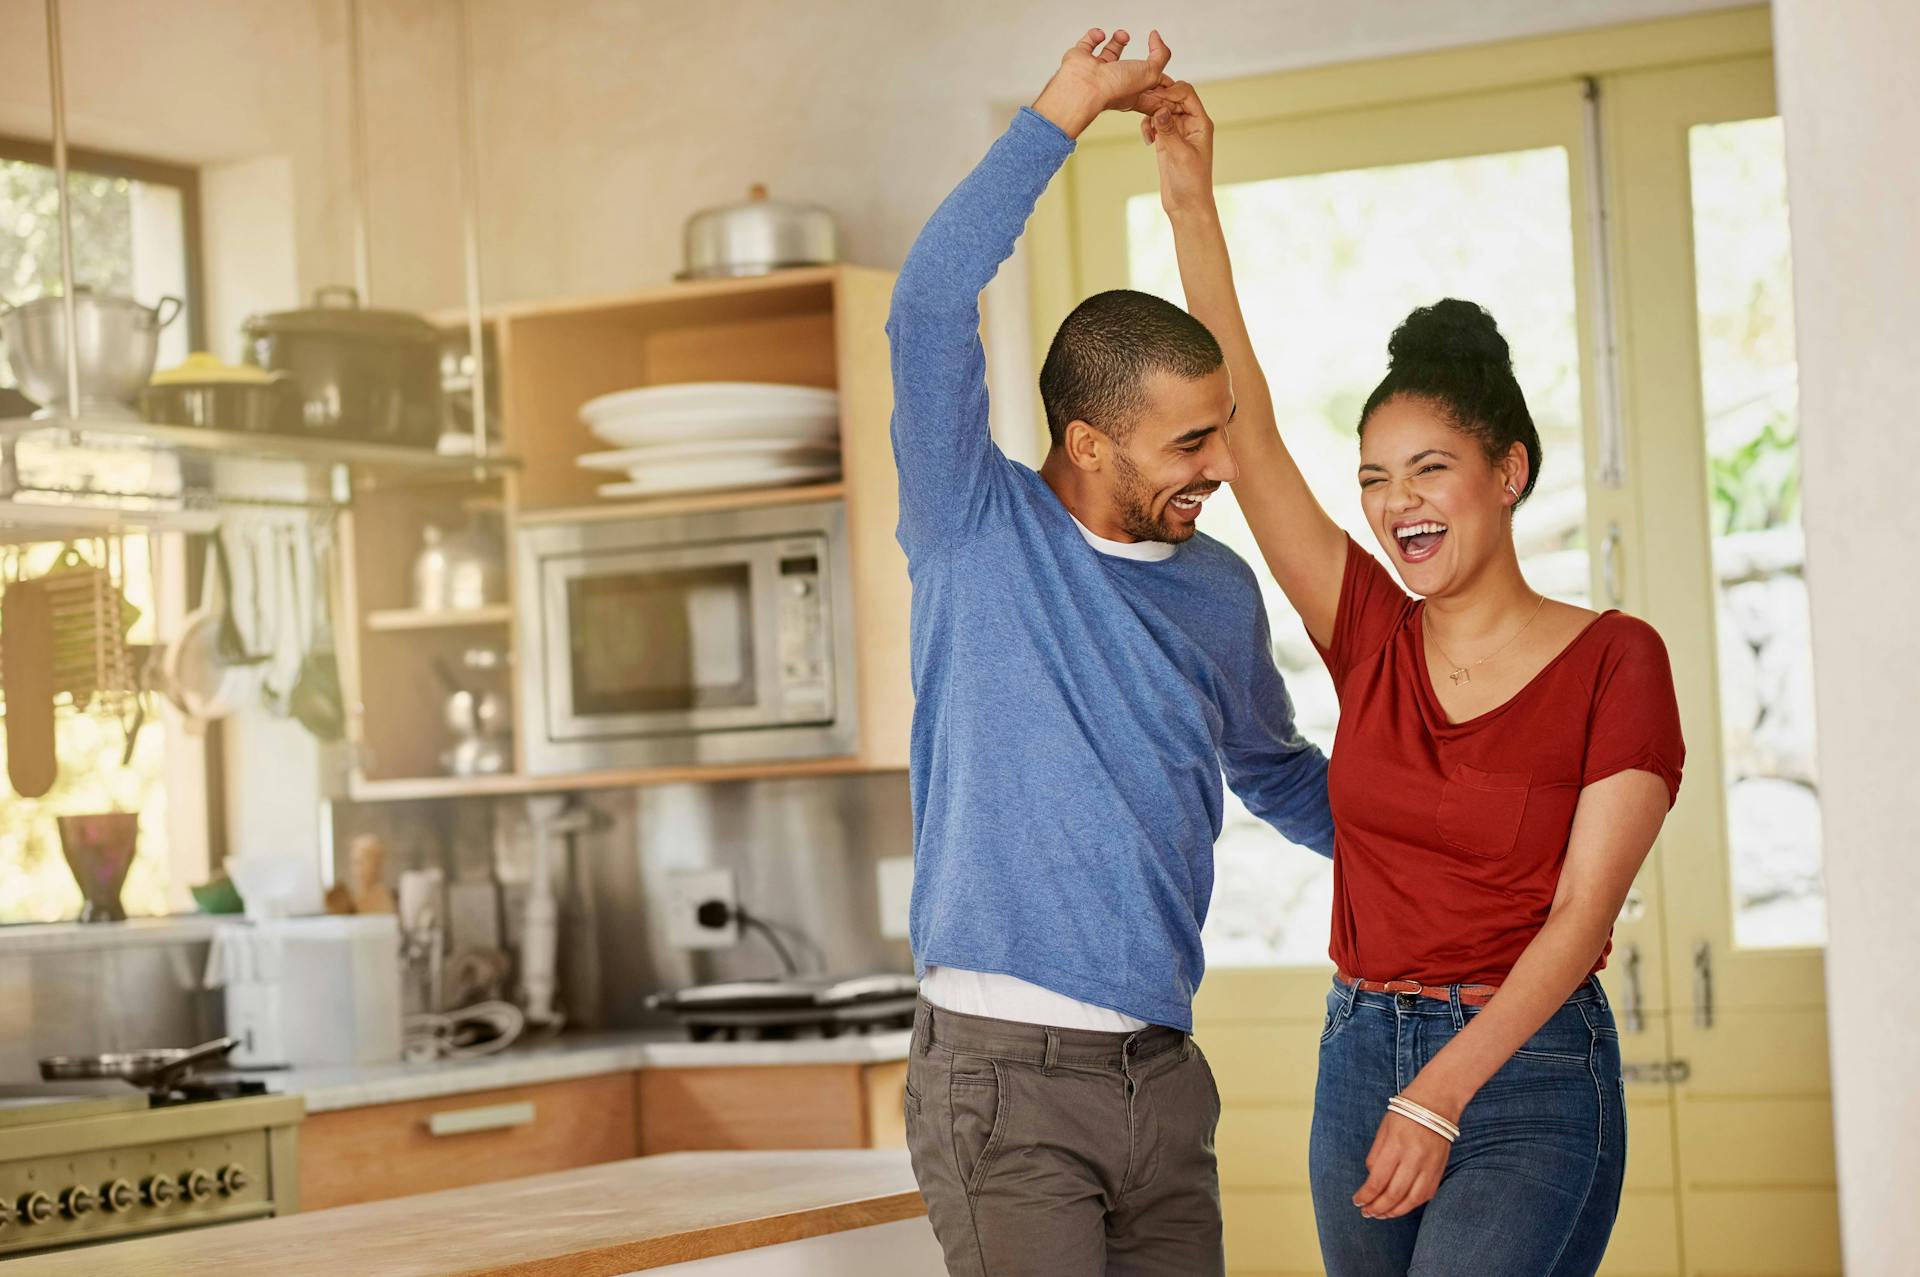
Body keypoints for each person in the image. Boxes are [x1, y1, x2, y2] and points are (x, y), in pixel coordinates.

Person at [1143, 82, 1686, 1276]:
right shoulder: (1370, 631)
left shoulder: (1616, 660)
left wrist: (1442, 1092)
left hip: (1530, 1070)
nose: (1397, 504)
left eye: (1430, 468)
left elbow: (1583, 917)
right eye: (1377, 476)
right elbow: (1248, 426)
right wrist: (1189, 194)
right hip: (1358, 1052)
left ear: (1509, 471)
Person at [889, 28, 1336, 1277]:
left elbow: (1284, 776)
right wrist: (1065, 111)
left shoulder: (1216, 590)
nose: (1221, 468)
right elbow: (928, 303)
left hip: (1164, 1078)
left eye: (1223, 432)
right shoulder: (974, 527)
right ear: (1088, 442)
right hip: (1003, 1085)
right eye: (1190, 444)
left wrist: (1470, 857)